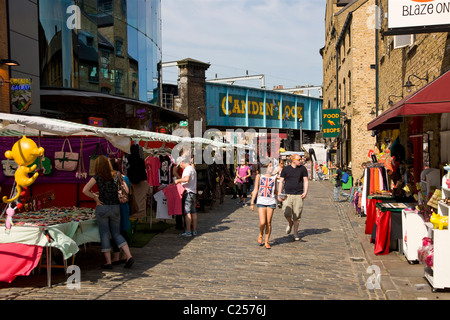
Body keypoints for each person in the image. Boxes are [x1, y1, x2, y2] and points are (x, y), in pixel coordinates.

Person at [82, 155, 135, 269]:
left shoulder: (97, 177)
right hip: (115, 207)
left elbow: (85, 190)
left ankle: (108, 262)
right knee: (117, 233)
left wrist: (95, 197)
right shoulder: (117, 174)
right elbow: (126, 189)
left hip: (102, 207)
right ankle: (129, 256)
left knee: (105, 234)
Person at [277, 154, 309, 241]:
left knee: (297, 215)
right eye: (299, 159)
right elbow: (281, 181)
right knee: (286, 212)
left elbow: (305, 181)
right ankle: (290, 222)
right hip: (287, 195)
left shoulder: (303, 169)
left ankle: (295, 233)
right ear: (293, 160)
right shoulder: (286, 169)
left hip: (298, 195)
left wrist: (305, 192)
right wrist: (279, 193)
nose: (301, 161)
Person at [250, 160, 277, 249]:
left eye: (271, 166)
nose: (271, 167)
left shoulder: (274, 177)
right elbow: (255, 189)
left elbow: (275, 190)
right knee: (262, 222)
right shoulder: (259, 176)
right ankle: (261, 233)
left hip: (271, 201)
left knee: (268, 222)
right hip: (261, 201)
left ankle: (266, 241)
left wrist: (281, 197)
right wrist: (252, 202)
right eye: (269, 166)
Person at [109, 158, 131, 265]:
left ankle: (117, 256)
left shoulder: (112, 178)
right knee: (123, 231)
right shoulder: (125, 178)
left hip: (116, 206)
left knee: (115, 232)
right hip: (124, 205)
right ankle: (125, 255)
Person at [175, 156, 197, 237]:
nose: (180, 166)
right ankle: (194, 230)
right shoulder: (192, 169)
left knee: (187, 212)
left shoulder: (187, 169)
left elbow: (186, 179)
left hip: (188, 192)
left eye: (179, 165)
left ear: (182, 162)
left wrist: (177, 180)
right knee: (193, 212)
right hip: (193, 192)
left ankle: (188, 231)